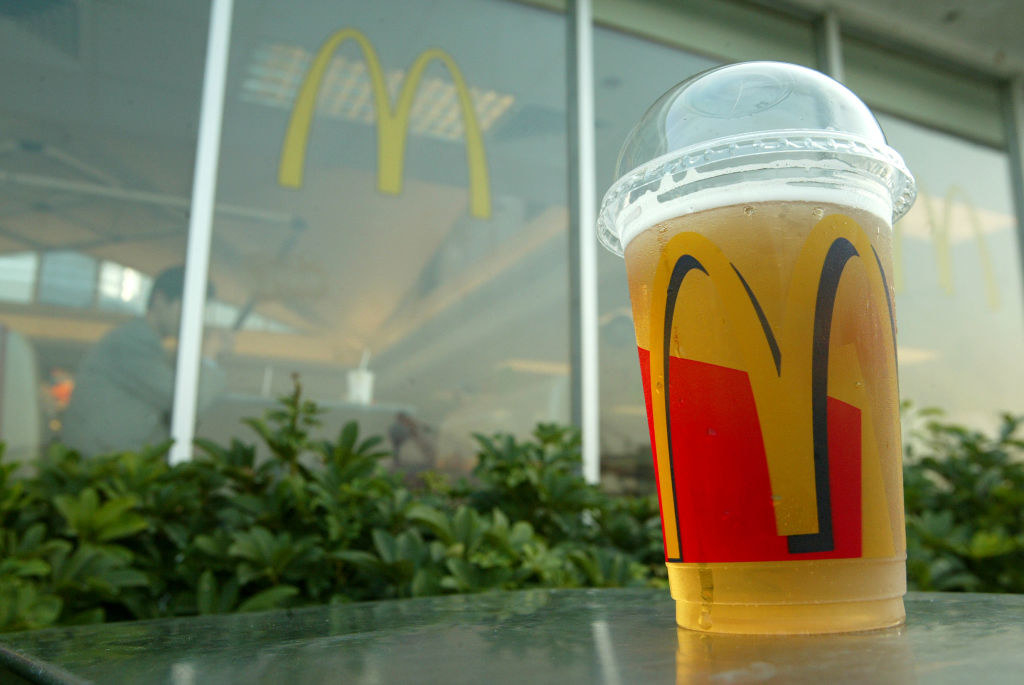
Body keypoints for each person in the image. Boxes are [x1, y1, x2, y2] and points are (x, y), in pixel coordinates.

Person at [61, 266, 228, 456]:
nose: (192, 318)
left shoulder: (144, 343)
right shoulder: (131, 343)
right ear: (159, 299)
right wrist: (209, 358)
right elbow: (185, 402)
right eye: (186, 306)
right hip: (102, 469)